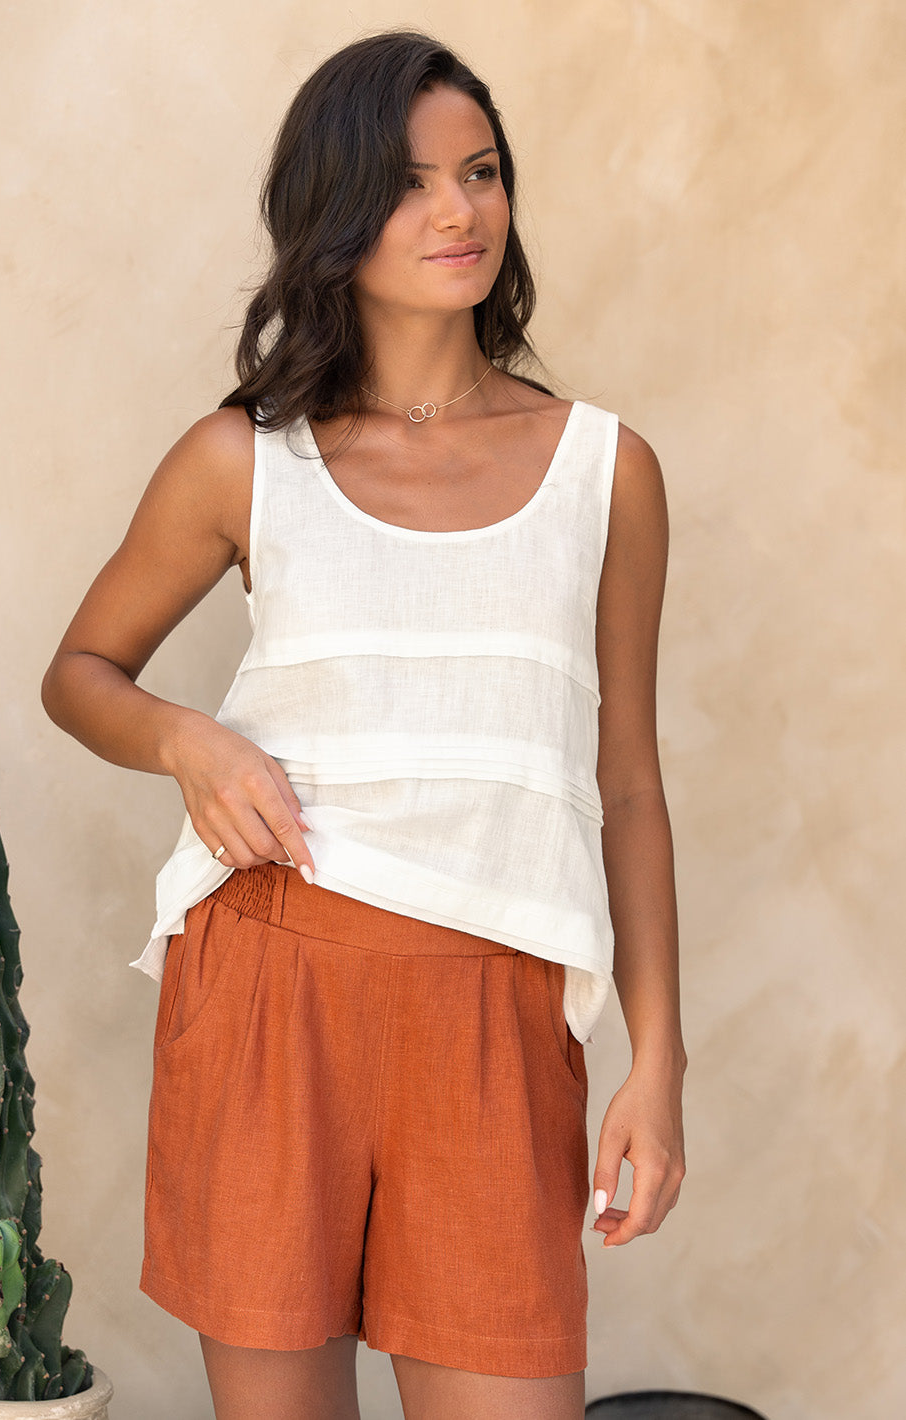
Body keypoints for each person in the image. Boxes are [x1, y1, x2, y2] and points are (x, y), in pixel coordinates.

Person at [42, 30, 686, 1420]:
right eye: (406, 184)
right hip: (272, 984)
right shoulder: (243, 457)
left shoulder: (605, 473)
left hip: (494, 1016)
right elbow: (83, 669)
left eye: (480, 172)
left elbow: (623, 786)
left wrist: (657, 1059)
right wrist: (186, 742)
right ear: (334, 213)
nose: (455, 212)